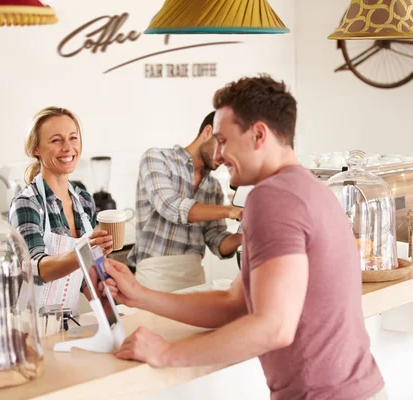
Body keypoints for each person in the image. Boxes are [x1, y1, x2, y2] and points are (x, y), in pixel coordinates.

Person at [101, 76, 386, 400]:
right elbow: (235, 303)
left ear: (258, 134)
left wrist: (167, 353)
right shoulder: (312, 189)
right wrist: (140, 295)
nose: (218, 155)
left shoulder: (272, 197)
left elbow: (273, 327)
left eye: (224, 140)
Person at [9, 106, 114, 317]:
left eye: (73, 138)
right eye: (56, 140)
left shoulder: (83, 200)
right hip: (30, 328)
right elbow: (35, 270)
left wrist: (109, 311)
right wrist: (85, 252)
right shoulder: (27, 203)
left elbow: (83, 275)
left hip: (68, 322)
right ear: (35, 148)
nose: (68, 147)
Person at [127, 111, 243, 292]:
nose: (225, 156)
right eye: (223, 145)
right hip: (154, 276)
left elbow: (216, 239)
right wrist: (231, 210)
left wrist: (243, 236)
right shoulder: (157, 158)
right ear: (208, 131)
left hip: (194, 278)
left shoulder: (213, 187)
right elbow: (171, 206)